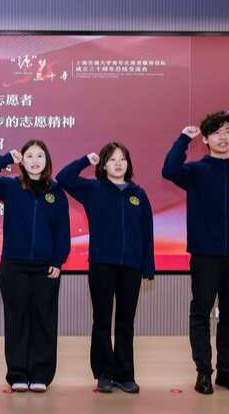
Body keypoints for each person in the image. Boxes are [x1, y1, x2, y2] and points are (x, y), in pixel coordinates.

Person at [161, 111, 229, 395]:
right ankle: (203, 372)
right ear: (206, 139)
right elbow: (168, 170)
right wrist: (183, 139)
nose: (223, 137)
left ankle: (226, 373)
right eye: (217, 132)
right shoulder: (196, 171)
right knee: (201, 313)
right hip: (205, 255)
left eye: (228, 132)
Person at [57, 142, 154, 394]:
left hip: (131, 266)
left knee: (125, 321)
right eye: (112, 159)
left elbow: (146, 231)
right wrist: (84, 161)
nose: (118, 163)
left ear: (128, 163)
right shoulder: (93, 189)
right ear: (103, 165)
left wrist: (148, 265)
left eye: (122, 159)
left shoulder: (138, 194)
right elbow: (63, 177)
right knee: (102, 320)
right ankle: (103, 373)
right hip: (102, 264)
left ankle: (125, 374)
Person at [0, 140, 70, 393]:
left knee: (44, 321)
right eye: (29, 156)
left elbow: (62, 231)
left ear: (47, 160)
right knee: (16, 320)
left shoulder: (56, 192)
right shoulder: (11, 187)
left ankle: (41, 374)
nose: (34, 161)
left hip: (46, 268)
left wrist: (58, 261)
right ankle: (18, 373)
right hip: (13, 266)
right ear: (22, 161)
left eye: (40, 156)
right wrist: (6, 158)